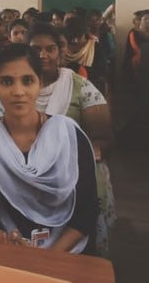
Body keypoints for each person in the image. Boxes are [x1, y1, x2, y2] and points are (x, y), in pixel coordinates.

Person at [0, 44, 98, 253]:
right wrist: (2, 237)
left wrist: (48, 257)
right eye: (6, 81)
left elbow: (87, 211)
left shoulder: (67, 135)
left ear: (40, 83)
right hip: (9, 246)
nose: (18, 92)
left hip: (67, 250)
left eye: (27, 81)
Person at [26, 22, 115, 255]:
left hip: (73, 174)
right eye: (35, 49)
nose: (43, 55)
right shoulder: (18, 86)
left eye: (50, 49)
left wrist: (75, 159)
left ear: (61, 52)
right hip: (25, 172)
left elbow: (103, 138)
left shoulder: (79, 87)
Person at [63, 16, 108, 93]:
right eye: (72, 37)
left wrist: (80, 69)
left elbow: (102, 71)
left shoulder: (95, 47)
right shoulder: (62, 47)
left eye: (78, 37)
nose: (75, 41)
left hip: (91, 86)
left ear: (84, 33)